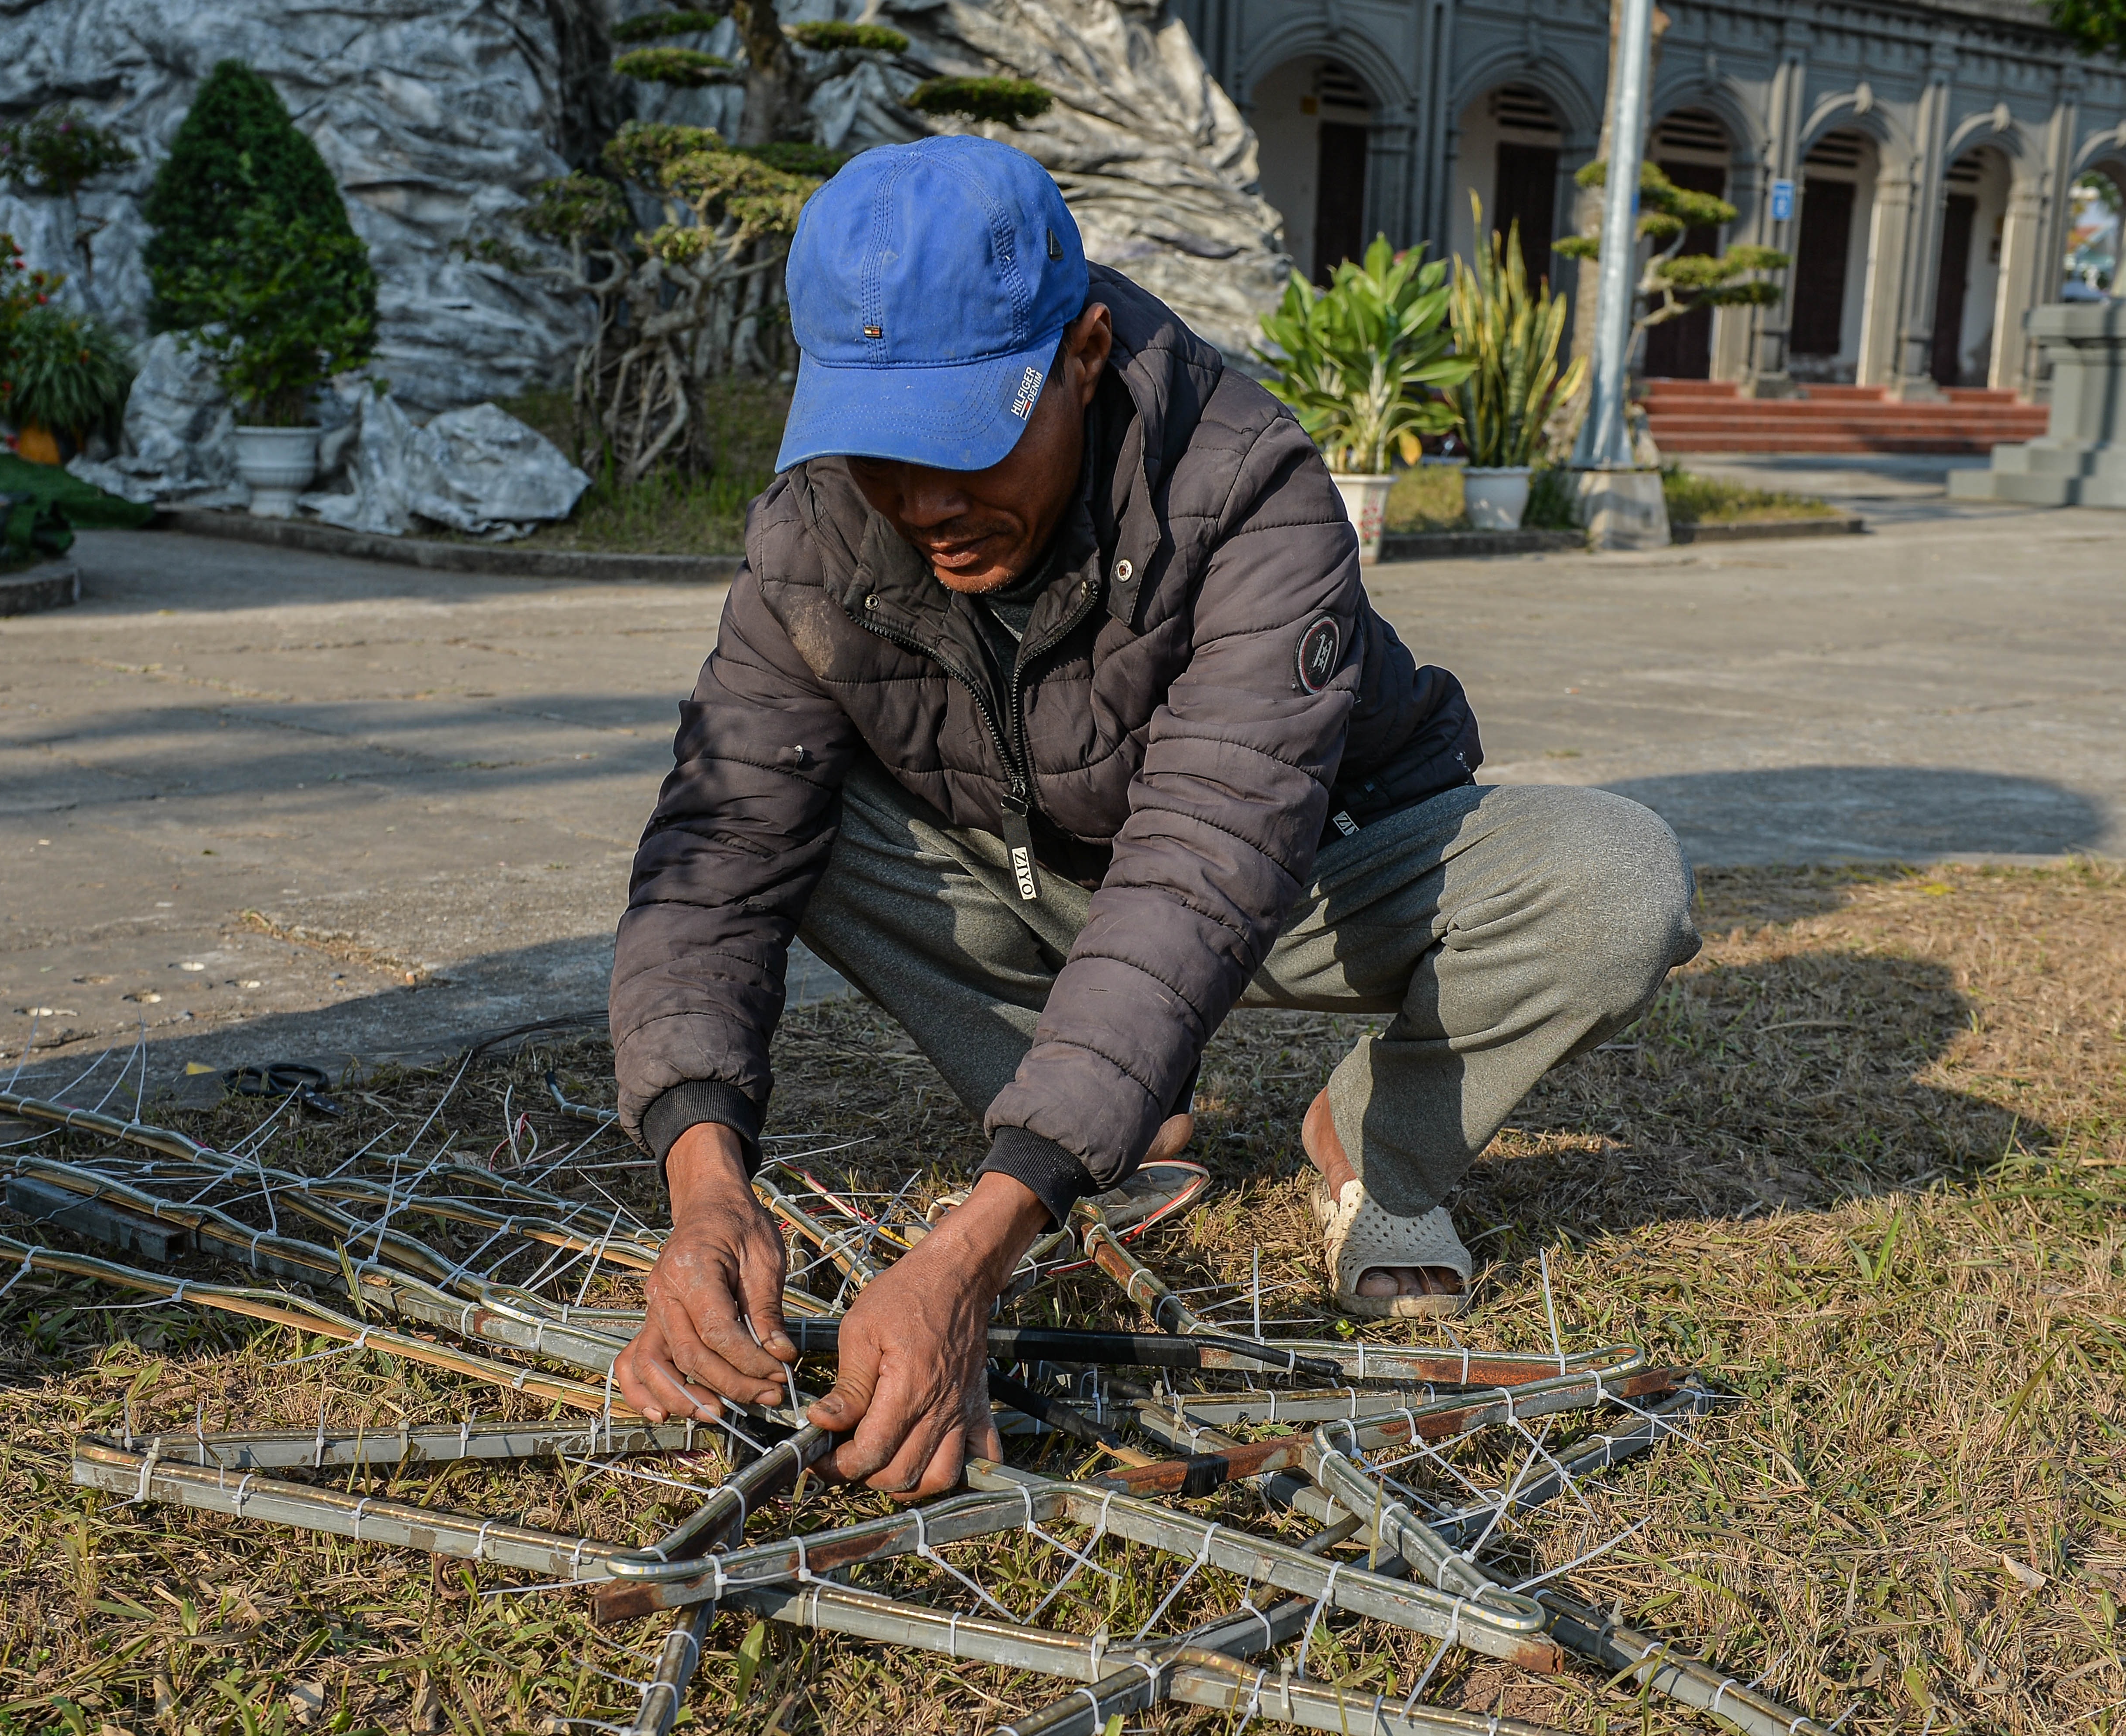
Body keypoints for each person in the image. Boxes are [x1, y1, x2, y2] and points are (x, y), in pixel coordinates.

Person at [605, 136, 1699, 1497]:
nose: (928, 506)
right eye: (885, 457)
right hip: (1031, 864)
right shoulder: (815, 530)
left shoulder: (1252, 496)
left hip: (1293, 873)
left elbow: (1197, 877)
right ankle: (1107, 1123)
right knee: (770, 807)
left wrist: (963, 1258)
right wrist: (704, 1185)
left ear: (1084, 350)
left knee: (1616, 882)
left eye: (967, 444)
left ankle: (1373, 1141)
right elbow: (716, 855)